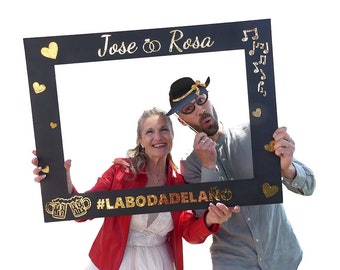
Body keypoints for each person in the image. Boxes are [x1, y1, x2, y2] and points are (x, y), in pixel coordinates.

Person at [32, 107, 239, 270]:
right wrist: (65, 188)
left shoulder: (179, 182)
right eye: (150, 132)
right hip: (113, 262)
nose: (157, 137)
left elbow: (189, 233)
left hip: (161, 263)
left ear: (172, 136)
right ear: (140, 141)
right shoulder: (120, 171)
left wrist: (209, 220)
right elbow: (83, 212)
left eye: (163, 130)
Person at [166, 77, 316, 270]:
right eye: (188, 109)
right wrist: (209, 165)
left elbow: (309, 185)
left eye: (201, 100)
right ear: (182, 121)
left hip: (283, 257)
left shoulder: (255, 134)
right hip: (233, 262)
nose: (200, 110)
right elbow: (205, 220)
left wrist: (287, 169)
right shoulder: (190, 165)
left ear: (208, 99)